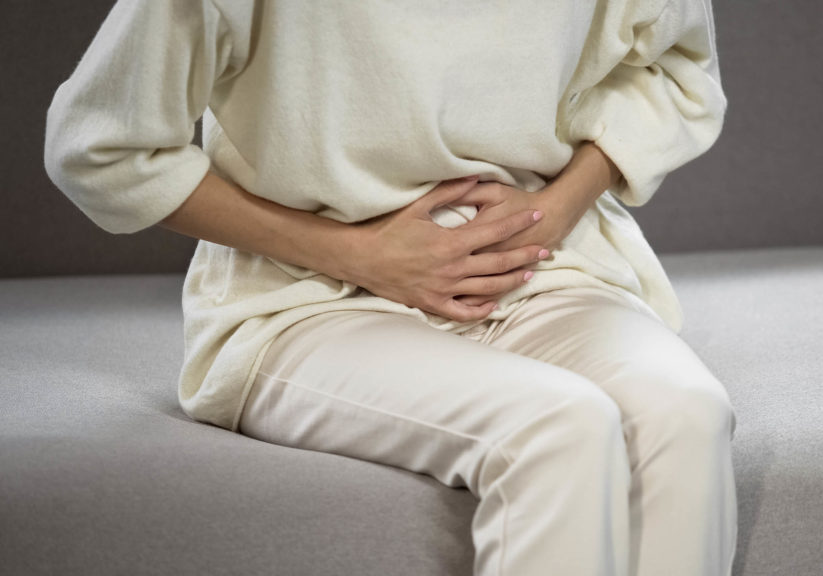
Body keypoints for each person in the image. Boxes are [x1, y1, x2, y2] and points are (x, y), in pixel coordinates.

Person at [43, 1, 737, 574]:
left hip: (543, 270)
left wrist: (551, 210)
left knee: (687, 412)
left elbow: (677, 68)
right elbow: (100, 146)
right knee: (559, 428)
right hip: (307, 301)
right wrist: (362, 255)